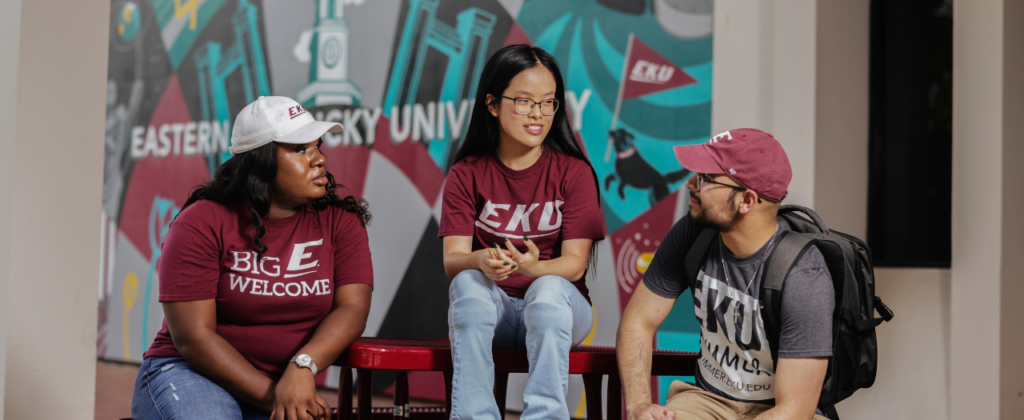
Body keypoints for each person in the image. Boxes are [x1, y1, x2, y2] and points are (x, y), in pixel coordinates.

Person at [131, 96, 374, 420]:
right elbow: (194, 338)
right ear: (261, 161)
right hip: (188, 373)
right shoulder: (201, 222)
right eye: (300, 149)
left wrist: (303, 367)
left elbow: (353, 308)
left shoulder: (340, 221)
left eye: (318, 145)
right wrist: (279, 399)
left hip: (285, 380)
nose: (319, 159)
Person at [616, 129, 834, 420]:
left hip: (780, 410)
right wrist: (640, 406)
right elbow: (638, 322)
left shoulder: (804, 276)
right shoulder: (693, 233)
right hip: (708, 400)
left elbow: (793, 410)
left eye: (706, 178)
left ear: (746, 200)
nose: (690, 184)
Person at [438, 44, 605, 420]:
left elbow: (576, 266)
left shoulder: (574, 172)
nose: (539, 115)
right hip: (493, 311)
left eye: (549, 103)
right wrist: (479, 260)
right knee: (467, 283)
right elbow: (453, 261)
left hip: (559, 309)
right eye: (525, 102)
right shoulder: (466, 173)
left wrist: (533, 269)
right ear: (493, 104)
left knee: (546, 292)